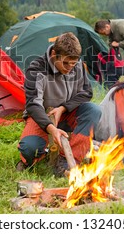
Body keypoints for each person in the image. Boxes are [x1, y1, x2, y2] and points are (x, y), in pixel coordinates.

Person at [17, 32, 102, 177]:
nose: (70, 67)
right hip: (42, 116)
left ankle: (66, 160)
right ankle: (36, 157)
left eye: (73, 63)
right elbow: (33, 105)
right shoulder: (36, 68)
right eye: (65, 62)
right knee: (29, 149)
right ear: (54, 54)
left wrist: (63, 108)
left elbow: (86, 92)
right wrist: (52, 129)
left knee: (94, 110)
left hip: (67, 113)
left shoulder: (78, 66)